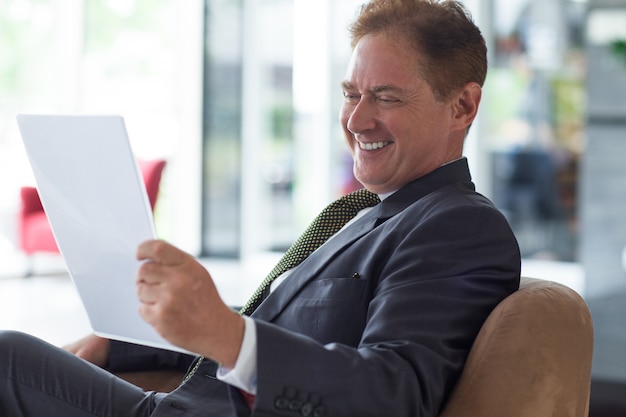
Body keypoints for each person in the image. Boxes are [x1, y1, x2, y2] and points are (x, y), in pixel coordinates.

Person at [0, 0, 520, 416]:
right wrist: (124, 346)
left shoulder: (459, 225)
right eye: (351, 93)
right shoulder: (364, 213)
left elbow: (393, 394)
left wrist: (223, 333)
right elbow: (275, 330)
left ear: (462, 106)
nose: (357, 121)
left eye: (385, 97)